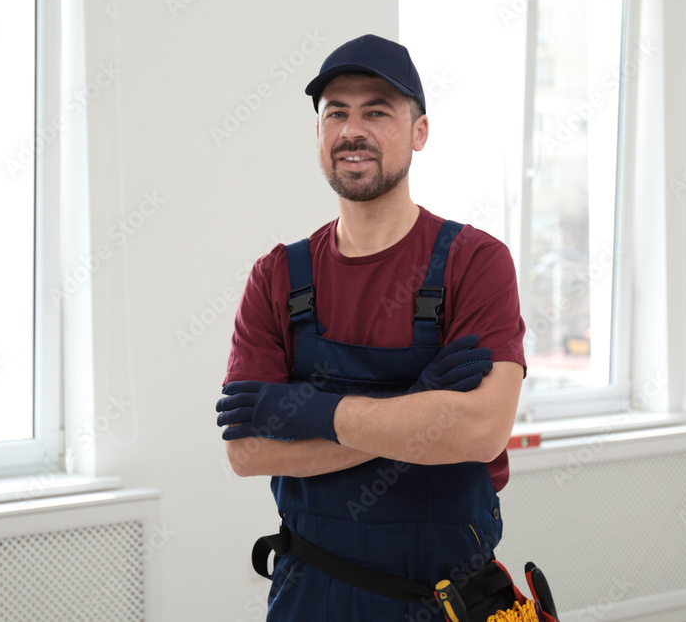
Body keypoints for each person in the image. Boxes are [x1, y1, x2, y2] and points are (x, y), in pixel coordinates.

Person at [216, 34, 527, 621]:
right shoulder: (278, 277)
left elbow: (482, 430)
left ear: (420, 132)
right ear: (318, 134)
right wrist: (417, 407)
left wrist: (310, 413)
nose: (352, 130)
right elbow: (249, 451)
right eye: (337, 112)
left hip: (446, 601)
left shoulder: (475, 262)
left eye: (378, 111)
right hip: (311, 593)